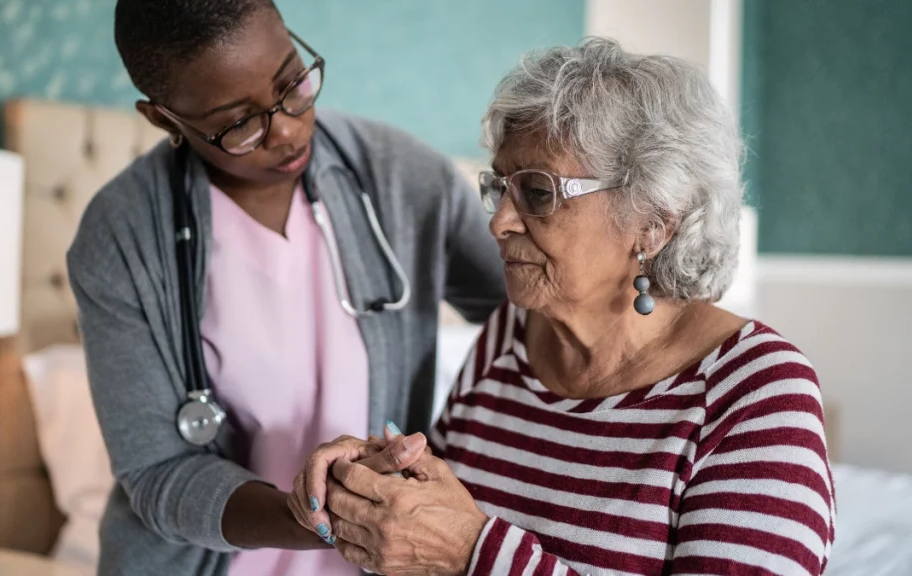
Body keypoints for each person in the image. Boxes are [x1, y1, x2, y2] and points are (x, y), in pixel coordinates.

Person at [292, 38, 836, 575]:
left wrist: (473, 555)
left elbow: (458, 546)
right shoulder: (509, 337)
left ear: (651, 223)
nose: (498, 223)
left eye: (537, 192)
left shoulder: (757, 395)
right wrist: (374, 489)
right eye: (499, 187)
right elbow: (432, 529)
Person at [65, 1, 506, 575]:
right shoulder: (120, 237)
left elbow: (537, 311)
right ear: (165, 119)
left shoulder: (405, 179)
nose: (289, 129)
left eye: (292, 82)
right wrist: (316, 516)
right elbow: (158, 472)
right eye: (239, 122)